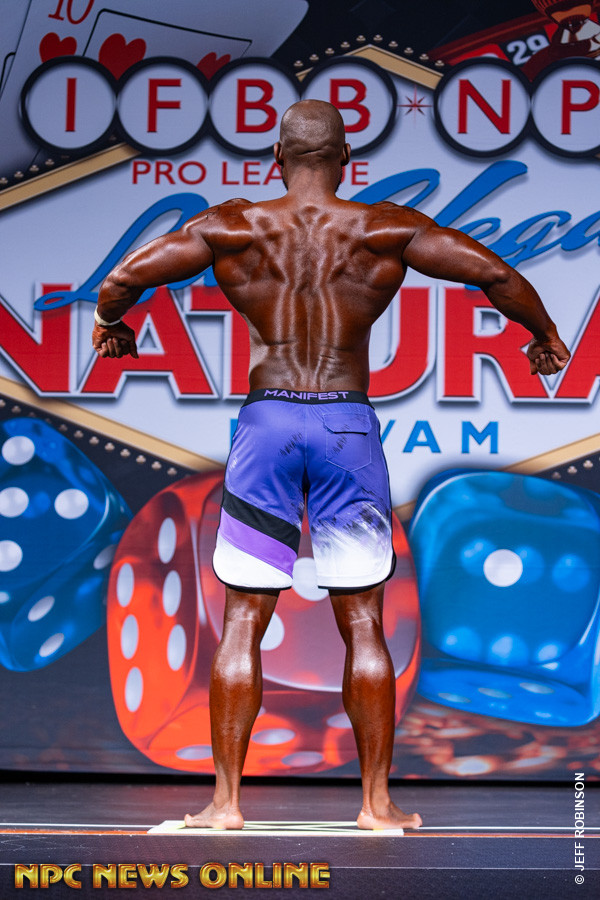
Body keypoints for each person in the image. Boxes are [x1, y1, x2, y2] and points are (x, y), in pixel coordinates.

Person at [92, 99, 570, 831]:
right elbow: (495, 275)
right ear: (347, 159)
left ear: (275, 160)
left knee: (243, 618)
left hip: (269, 424)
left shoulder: (233, 227)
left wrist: (111, 324)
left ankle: (225, 804)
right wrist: (542, 335)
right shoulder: (384, 228)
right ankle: (376, 805)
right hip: (346, 423)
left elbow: (124, 277)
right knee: (365, 621)